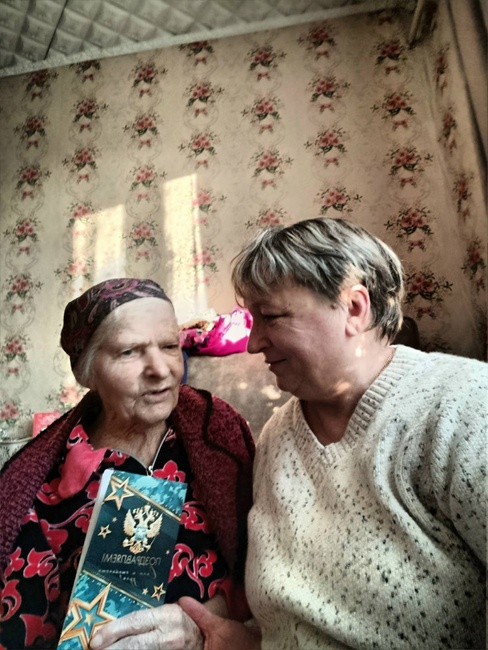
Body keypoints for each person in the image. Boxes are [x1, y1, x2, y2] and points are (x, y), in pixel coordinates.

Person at [205, 216, 484, 650]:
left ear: (354, 308)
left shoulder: (463, 405)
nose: (253, 343)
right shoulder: (276, 437)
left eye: (271, 317)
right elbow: (292, 620)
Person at [0, 278, 255, 649]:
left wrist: (203, 623)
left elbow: (265, 570)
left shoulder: (218, 435)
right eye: (129, 352)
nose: (160, 369)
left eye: (169, 346)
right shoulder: (41, 485)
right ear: (87, 371)